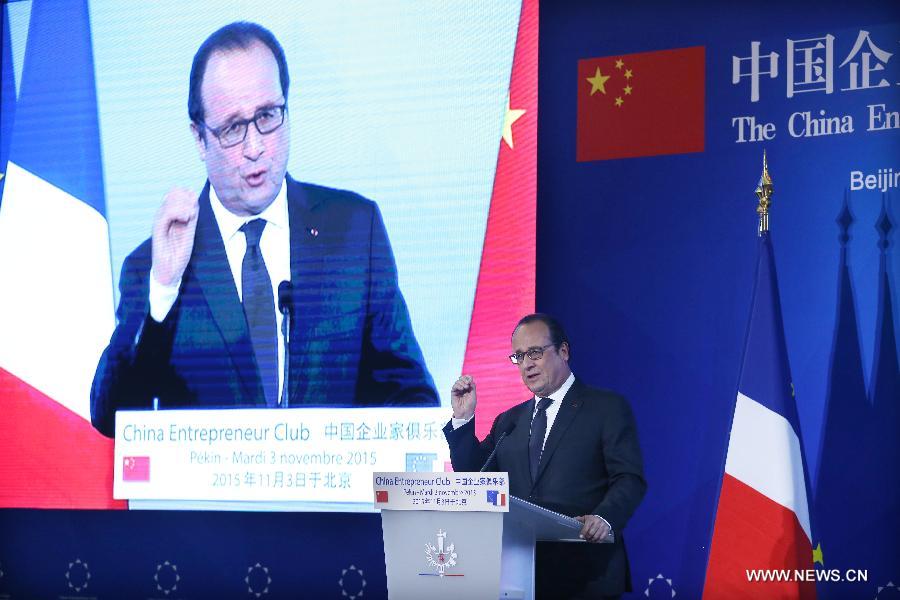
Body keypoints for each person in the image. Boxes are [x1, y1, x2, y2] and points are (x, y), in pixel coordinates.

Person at [91, 22, 437, 437]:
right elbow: (111, 417)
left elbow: (411, 399)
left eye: (267, 117)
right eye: (233, 128)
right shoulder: (153, 266)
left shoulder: (353, 232)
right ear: (200, 139)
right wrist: (162, 289)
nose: (255, 147)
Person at [443, 313, 646, 599]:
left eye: (535, 352)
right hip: (522, 575)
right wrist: (463, 419)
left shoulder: (606, 408)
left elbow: (629, 478)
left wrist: (605, 518)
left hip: (587, 573)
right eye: (519, 356)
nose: (527, 364)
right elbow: (473, 478)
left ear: (563, 351)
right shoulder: (509, 421)